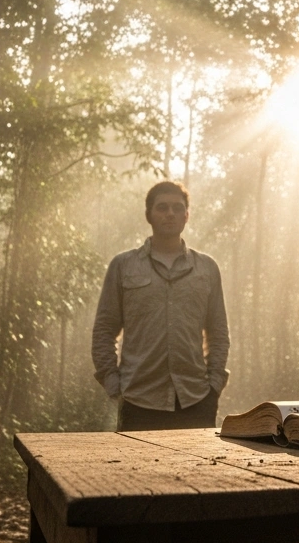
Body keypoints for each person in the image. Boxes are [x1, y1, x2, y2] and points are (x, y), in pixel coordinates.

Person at [91, 180, 230, 431]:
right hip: (138, 403)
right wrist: (115, 387)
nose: (170, 214)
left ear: (187, 215)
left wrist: (214, 386)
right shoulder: (123, 266)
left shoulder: (206, 268)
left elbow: (218, 332)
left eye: (177, 208)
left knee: (200, 471)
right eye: (162, 208)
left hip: (195, 401)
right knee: (136, 471)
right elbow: (104, 330)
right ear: (149, 215)